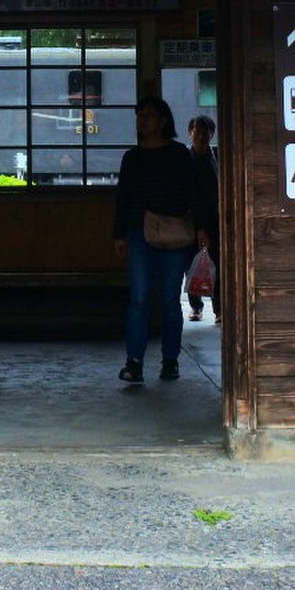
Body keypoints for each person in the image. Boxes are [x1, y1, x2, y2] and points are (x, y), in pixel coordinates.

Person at [113, 97, 210, 383]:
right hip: (139, 232)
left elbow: (194, 192)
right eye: (139, 115)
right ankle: (134, 361)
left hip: (176, 231)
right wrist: (118, 233)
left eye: (149, 115)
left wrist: (201, 227)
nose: (142, 120)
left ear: (163, 120)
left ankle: (170, 360)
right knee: (139, 299)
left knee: (169, 301)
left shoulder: (179, 153)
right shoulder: (132, 157)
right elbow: (123, 198)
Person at [187, 115, 221, 323]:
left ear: (212, 133)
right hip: (191, 219)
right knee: (193, 264)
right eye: (196, 131)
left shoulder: (216, 155)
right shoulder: (185, 159)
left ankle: (219, 309)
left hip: (215, 217)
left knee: (216, 263)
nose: (200, 135)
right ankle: (196, 306)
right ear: (189, 134)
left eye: (205, 131)